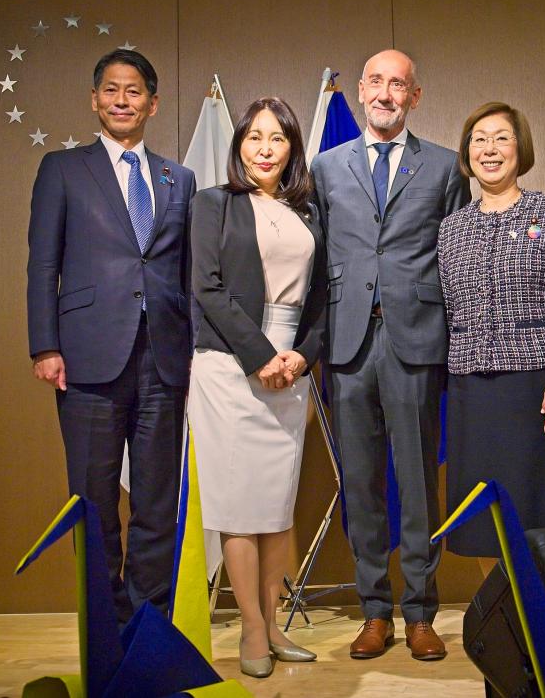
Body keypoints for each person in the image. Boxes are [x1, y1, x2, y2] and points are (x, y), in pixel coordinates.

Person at [311, 49, 470, 661]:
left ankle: (421, 612)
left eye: (397, 84)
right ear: (359, 89)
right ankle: (374, 610)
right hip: (348, 344)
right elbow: (317, 256)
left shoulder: (445, 168)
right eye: (375, 81)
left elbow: (455, 257)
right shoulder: (326, 167)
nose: (384, 92)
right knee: (361, 485)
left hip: (417, 339)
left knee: (418, 480)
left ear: (415, 96)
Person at [26, 50, 195, 625]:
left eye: (134, 91)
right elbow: (42, 265)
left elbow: (187, 272)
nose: (122, 100)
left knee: (156, 504)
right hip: (87, 357)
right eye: (111, 90)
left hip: (164, 361)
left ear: (153, 102)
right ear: (95, 100)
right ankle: (107, 626)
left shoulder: (180, 177)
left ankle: (150, 629)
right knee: (95, 504)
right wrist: (45, 345)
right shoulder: (63, 169)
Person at [189, 97, 327, 679]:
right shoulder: (212, 204)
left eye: (277, 138)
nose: (265, 148)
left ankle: (274, 625)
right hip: (228, 367)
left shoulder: (310, 212)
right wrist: (261, 356)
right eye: (254, 137)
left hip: (290, 371)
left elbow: (323, 298)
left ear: (292, 148)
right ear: (238, 144)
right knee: (239, 509)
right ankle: (249, 627)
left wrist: (302, 356)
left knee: (276, 507)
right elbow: (207, 288)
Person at [438, 102, 545, 576]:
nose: (490, 149)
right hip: (474, 395)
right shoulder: (451, 229)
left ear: (519, 148)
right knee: (487, 519)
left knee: (544, 516)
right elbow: (448, 310)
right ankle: (506, 625)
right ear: (467, 152)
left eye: (501, 138)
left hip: (541, 393)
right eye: (479, 139)